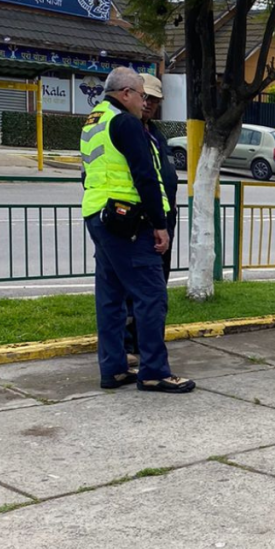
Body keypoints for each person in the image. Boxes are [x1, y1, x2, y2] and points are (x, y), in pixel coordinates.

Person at [81, 67, 195, 393]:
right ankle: (154, 371)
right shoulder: (126, 122)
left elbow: (88, 172)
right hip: (129, 221)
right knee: (151, 295)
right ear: (127, 93)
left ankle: (114, 369)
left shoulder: (94, 119)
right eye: (142, 96)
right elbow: (145, 176)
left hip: (100, 217)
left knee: (111, 296)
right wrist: (160, 226)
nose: (144, 103)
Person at [123, 74, 179, 364]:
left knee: (157, 287)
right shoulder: (126, 129)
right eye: (145, 98)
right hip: (140, 222)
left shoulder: (157, 135)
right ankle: (133, 346)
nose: (149, 105)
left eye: (155, 100)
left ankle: (149, 340)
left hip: (164, 220)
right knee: (138, 289)